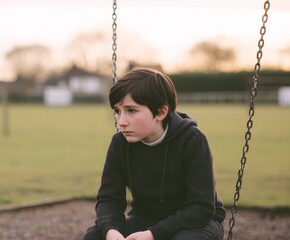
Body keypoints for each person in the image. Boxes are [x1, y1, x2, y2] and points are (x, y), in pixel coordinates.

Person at [82, 68, 226, 240]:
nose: (121, 122)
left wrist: (153, 234)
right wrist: (111, 230)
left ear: (161, 112)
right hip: (146, 218)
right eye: (117, 111)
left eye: (131, 111)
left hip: (197, 223)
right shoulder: (119, 143)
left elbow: (201, 208)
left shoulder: (192, 140)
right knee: (94, 236)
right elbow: (108, 199)